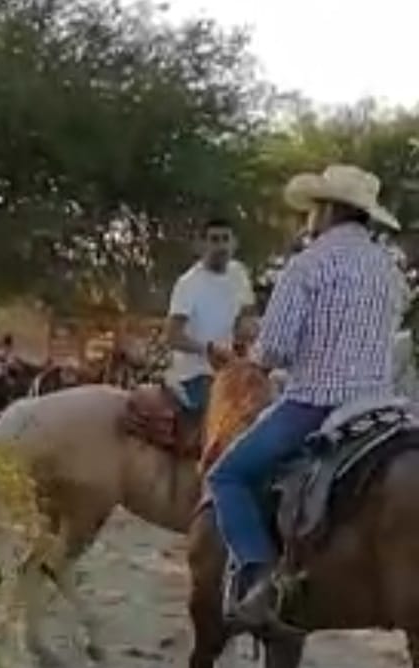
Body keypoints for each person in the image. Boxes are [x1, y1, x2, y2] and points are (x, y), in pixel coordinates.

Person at [207, 164, 408, 631]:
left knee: (228, 476)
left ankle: (258, 576)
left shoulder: (309, 264)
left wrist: (251, 360)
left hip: (316, 402)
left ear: (329, 210)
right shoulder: (388, 271)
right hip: (381, 406)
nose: (309, 218)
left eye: (314, 208)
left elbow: (275, 348)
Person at [164, 218, 256, 414]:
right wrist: (208, 349)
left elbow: (246, 313)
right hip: (195, 374)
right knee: (222, 418)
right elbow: (172, 336)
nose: (221, 246)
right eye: (214, 240)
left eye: (225, 239)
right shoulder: (188, 284)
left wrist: (247, 329)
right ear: (202, 244)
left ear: (234, 243)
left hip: (230, 368)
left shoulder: (238, 273)